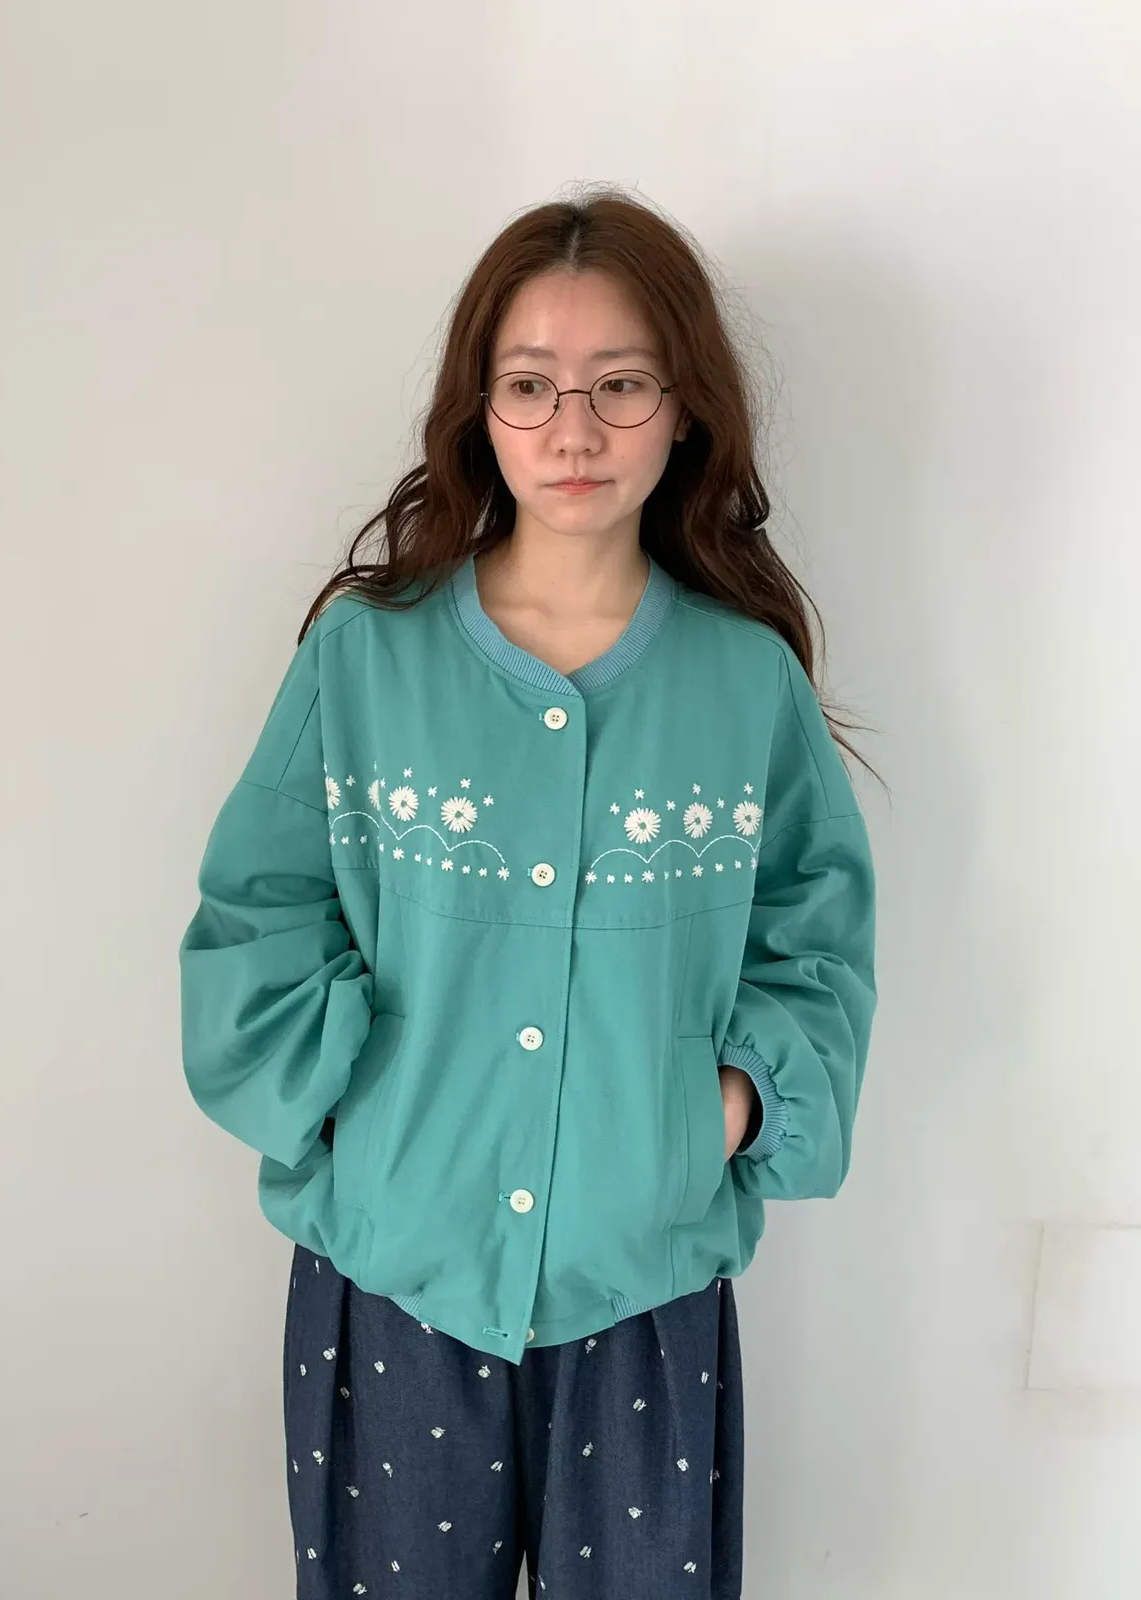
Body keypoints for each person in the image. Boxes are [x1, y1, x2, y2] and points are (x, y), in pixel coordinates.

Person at [178, 187, 879, 1600]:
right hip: (398, 1274)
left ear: (684, 408)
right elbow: (259, 910)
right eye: (530, 385)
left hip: (644, 1284)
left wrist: (728, 1108)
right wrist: (361, 1099)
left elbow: (817, 934)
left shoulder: (744, 682)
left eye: (621, 384)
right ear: (480, 410)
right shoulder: (366, 660)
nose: (574, 430)